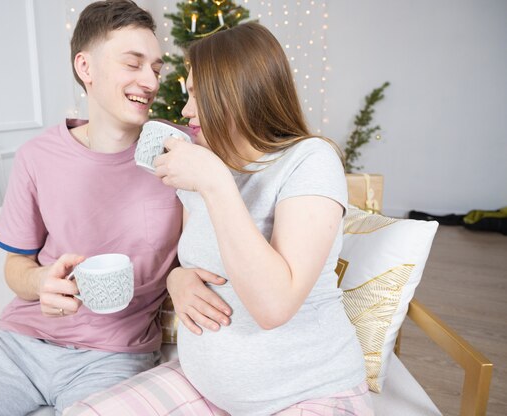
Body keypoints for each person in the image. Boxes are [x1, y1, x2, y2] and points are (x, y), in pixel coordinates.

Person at [0, 1, 182, 415]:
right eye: (133, 64)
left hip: (113, 357)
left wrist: (183, 279)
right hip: (18, 348)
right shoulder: (36, 156)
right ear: (86, 67)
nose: (150, 80)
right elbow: (15, 267)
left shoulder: (180, 150)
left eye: (156, 67)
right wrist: (41, 282)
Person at [64, 22, 373, 416]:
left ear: (237, 92)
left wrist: (216, 184)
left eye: (195, 94)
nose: (185, 110)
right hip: (203, 388)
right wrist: (176, 279)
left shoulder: (309, 160)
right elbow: (195, 259)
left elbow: (273, 306)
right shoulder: (203, 166)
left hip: (308, 393)